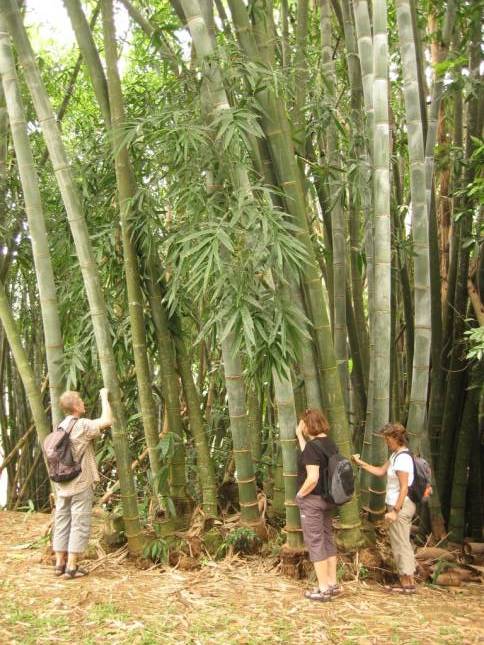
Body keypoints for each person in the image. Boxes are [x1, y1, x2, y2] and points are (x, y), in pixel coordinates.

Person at [52, 388, 113, 579]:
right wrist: (104, 397)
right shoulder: (83, 425)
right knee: (79, 522)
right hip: (80, 481)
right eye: (80, 400)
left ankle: (59, 563)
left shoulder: (61, 426)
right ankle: (71, 566)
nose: (83, 403)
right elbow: (107, 421)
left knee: (62, 520)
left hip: (62, 483)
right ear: (76, 406)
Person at [352, 422, 417, 593]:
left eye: (387, 439)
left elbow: (404, 487)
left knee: (401, 543)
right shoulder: (395, 456)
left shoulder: (403, 458)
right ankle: (406, 580)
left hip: (401, 506)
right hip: (396, 505)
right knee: (400, 541)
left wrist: (395, 511)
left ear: (396, 438)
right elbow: (380, 471)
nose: (386, 442)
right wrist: (360, 463)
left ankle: (408, 583)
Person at [295, 408, 341, 602]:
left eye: (302, 424)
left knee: (315, 541)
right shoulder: (329, 444)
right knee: (327, 539)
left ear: (307, 424)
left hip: (313, 501)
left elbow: (312, 478)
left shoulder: (313, 448)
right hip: (328, 500)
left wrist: (300, 495)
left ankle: (322, 589)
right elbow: (312, 454)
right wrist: (299, 436)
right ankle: (332, 584)